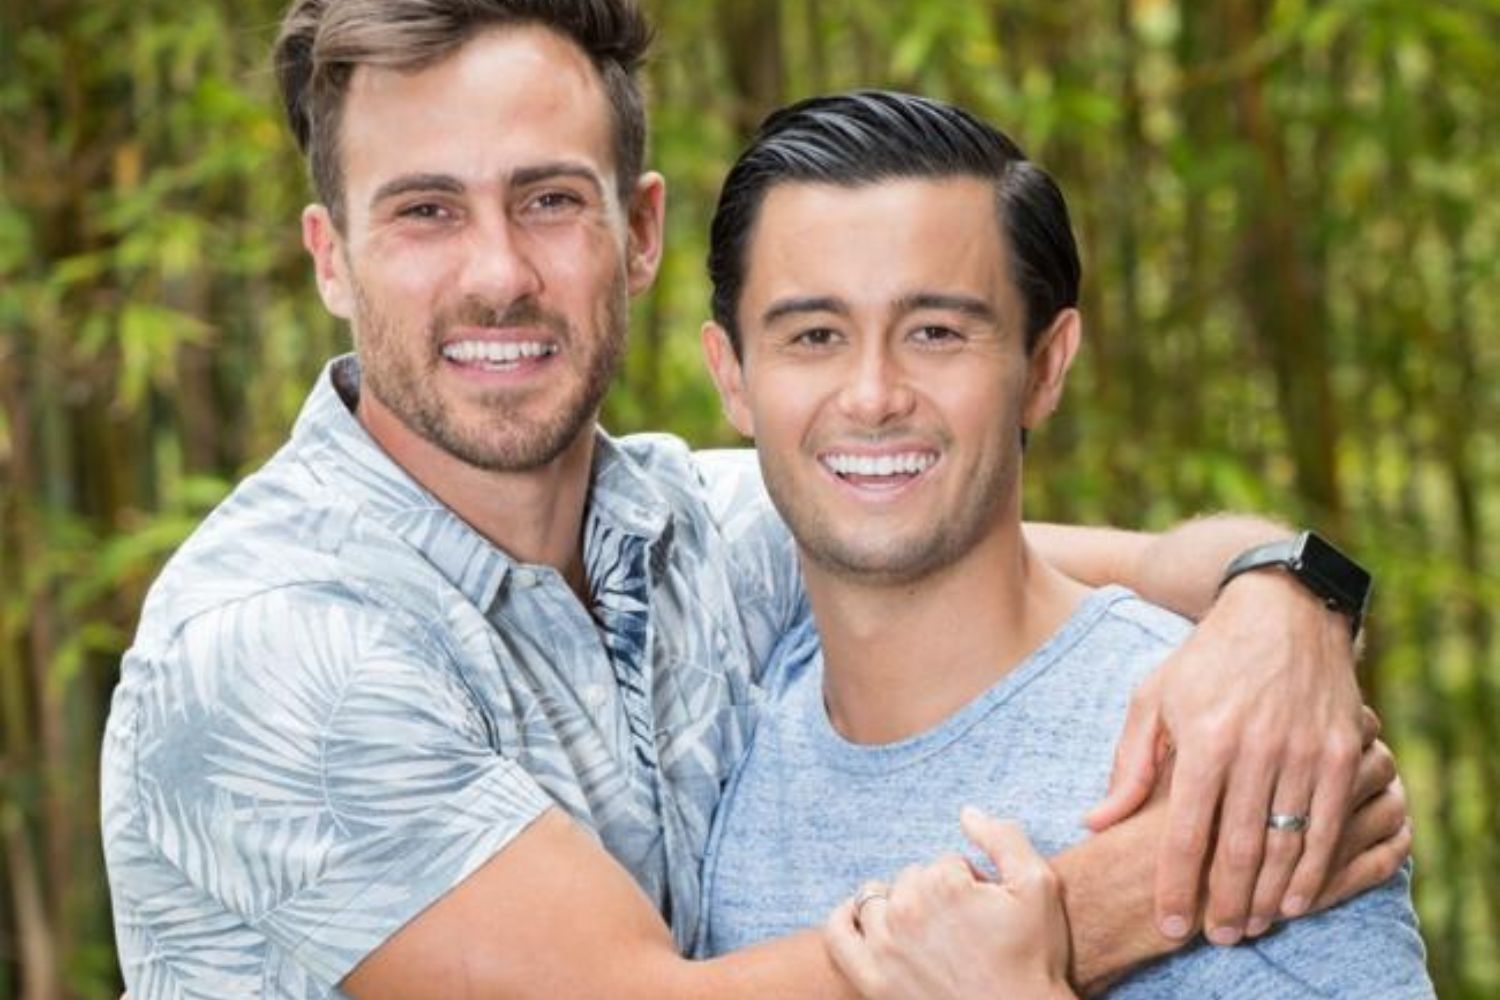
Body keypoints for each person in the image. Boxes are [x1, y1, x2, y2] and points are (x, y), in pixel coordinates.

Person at [100, 1, 1404, 996]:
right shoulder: (269, 646)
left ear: (642, 230)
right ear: (331, 256)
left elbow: (1157, 563)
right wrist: (1114, 900)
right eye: (425, 211)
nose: (496, 273)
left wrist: (1287, 609)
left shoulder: (700, 529)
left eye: (551, 200)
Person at [694, 90, 1432, 997]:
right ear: (731, 376)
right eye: (814, 335)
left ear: (1045, 367)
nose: (874, 393)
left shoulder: (1231, 750)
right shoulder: (721, 716)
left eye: (935, 332)